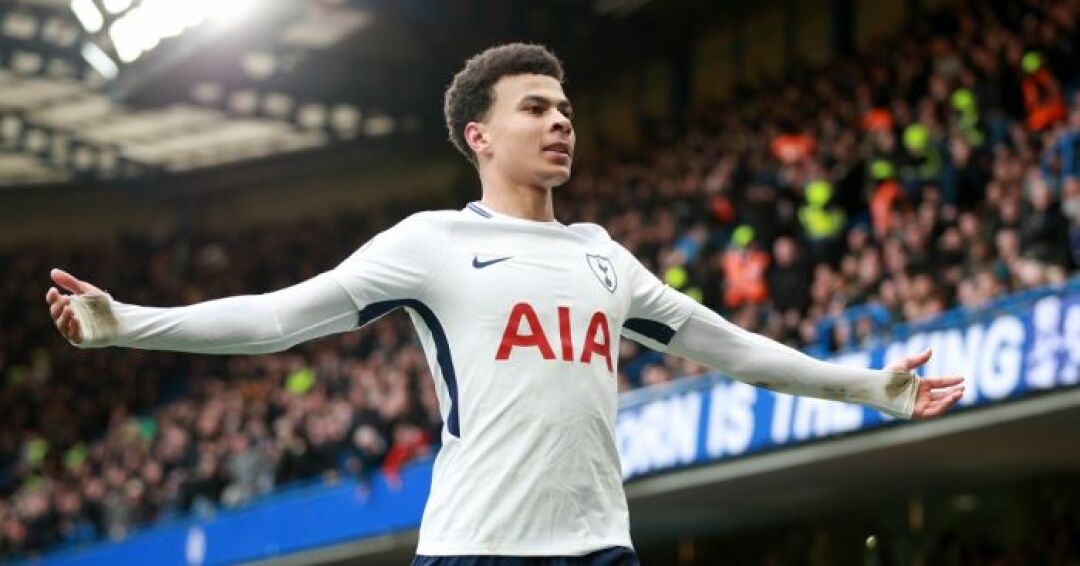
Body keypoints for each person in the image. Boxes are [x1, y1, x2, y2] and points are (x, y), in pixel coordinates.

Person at [45, 44, 965, 566]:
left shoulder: (604, 256)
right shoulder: (431, 242)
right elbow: (281, 317)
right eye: (535, 108)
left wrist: (872, 388)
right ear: (479, 136)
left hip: (601, 548)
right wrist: (129, 324)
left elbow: (734, 348)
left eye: (565, 109)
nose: (560, 121)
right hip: (476, 550)